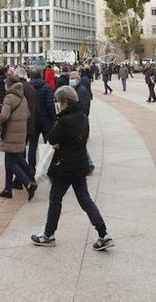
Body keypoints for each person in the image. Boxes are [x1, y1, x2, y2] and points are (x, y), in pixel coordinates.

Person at [30, 85, 112, 250]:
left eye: (59, 101)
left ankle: (48, 234)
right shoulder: (82, 116)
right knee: (85, 200)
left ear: (65, 101)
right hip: (80, 164)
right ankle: (103, 234)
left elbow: (52, 138)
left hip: (64, 167)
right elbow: (81, 138)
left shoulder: (64, 120)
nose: (58, 105)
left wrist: (59, 143)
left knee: (55, 199)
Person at [0, 76, 37, 199]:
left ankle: (28, 183)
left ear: (9, 85)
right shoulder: (22, 97)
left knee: (11, 162)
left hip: (10, 134)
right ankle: (8, 188)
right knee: (16, 159)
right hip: (21, 133)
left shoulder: (9, 97)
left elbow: (4, 115)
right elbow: (28, 114)